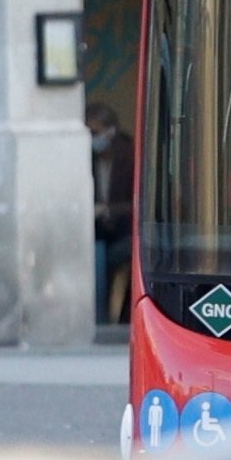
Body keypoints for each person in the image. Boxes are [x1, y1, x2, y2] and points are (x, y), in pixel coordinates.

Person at [87, 100, 134, 330]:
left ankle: (111, 318)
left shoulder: (130, 154)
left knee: (110, 256)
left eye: (94, 132)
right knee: (92, 253)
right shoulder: (86, 158)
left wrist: (107, 210)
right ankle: (97, 316)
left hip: (124, 229)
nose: (90, 138)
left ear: (110, 131)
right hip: (95, 230)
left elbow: (138, 203)